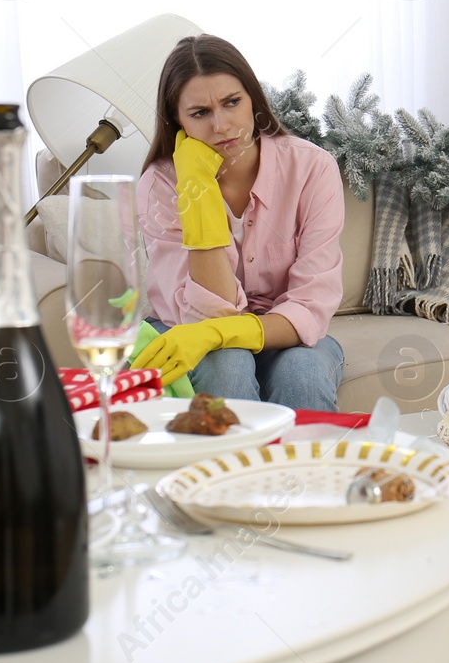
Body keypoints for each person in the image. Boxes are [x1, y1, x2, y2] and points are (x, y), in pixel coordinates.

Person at [132, 34, 346, 412]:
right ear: (177, 121)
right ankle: (234, 472)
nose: (223, 125)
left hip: (286, 335)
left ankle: (312, 473)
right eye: (200, 113)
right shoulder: (161, 185)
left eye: (232, 103)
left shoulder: (313, 169)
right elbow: (204, 315)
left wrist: (223, 332)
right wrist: (197, 190)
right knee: (226, 366)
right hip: (188, 329)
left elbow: (310, 306)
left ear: (253, 100)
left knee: (304, 374)